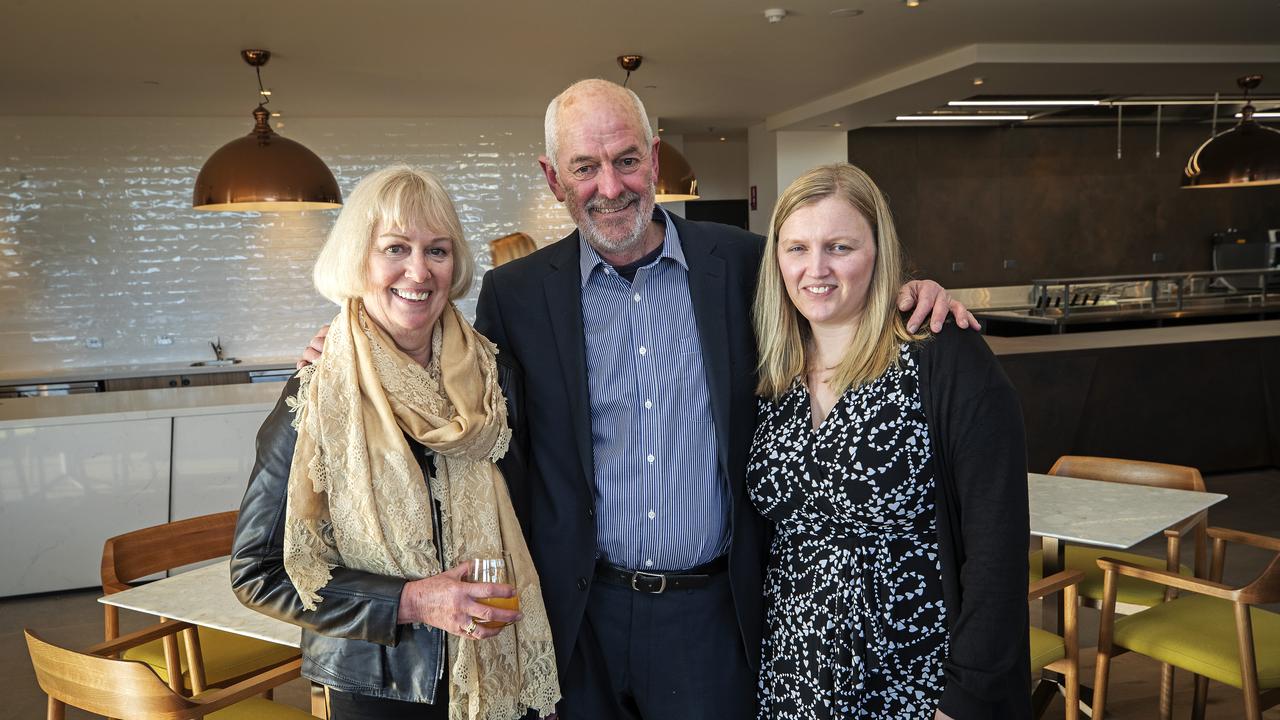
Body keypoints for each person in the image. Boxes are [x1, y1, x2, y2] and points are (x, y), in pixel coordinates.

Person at [302, 80, 976, 719]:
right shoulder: (517, 294)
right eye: (585, 167)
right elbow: (481, 423)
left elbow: (832, 293)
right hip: (583, 616)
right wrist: (352, 342)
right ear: (552, 178)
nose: (610, 186)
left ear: (653, 159)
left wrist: (911, 295)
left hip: (715, 617)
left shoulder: (745, 264)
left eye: (627, 160)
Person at [232, 165, 560, 720]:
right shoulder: (318, 392)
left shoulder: (496, 379)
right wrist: (412, 601)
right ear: (358, 260)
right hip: (382, 686)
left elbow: (533, 518)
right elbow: (259, 572)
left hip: (500, 664)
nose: (419, 270)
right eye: (395, 248)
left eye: (437, 250)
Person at [747, 163, 1030, 719]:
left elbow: (997, 551)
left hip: (919, 685)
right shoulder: (769, 375)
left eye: (840, 246)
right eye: (797, 248)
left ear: (880, 251)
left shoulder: (942, 357)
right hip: (793, 680)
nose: (816, 269)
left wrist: (965, 700)